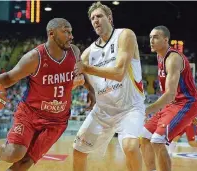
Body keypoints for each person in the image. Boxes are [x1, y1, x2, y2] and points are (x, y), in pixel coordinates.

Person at [0, 18, 95, 171]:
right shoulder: (35, 57)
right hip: (30, 114)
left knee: (24, 164)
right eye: (66, 32)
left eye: (71, 32)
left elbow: (81, 70)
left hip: (57, 121)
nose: (71, 36)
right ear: (51, 33)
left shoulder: (74, 52)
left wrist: (91, 91)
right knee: (14, 153)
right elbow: (10, 77)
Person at [73, 2, 145, 171]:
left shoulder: (125, 35)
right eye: (92, 18)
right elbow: (77, 76)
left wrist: (86, 69)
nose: (95, 20)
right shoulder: (89, 53)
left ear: (110, 18)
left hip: (129, 109)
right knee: (78, 151)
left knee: (130, 147)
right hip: (103, 111)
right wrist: (81, 84)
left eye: (99, 16)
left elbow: (119, 72)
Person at [140, 26, 197, 171]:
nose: (151, 40)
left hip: (187, 103)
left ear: (166, 40)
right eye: (150, 37)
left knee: (158, 140)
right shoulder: (159, 56)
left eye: (155, 37)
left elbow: (170, 94)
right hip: (174, 104)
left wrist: (145, 110)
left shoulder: (173, 58)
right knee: (143, 137)